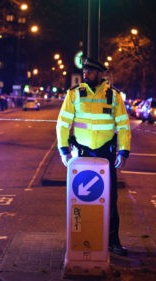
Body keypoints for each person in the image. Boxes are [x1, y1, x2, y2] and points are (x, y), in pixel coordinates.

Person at [56, 57, 131, 256]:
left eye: (89, 71)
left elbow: (123, 126)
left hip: (106, 153)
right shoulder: (74, 94)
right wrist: (63, 150)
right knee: (79, 199)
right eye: (84, 71)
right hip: (81, 152)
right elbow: (63, 124)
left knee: (111, 198)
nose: (85, 74)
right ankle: (79, 238)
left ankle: (113, 241)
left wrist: (123, 151)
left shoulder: (114, 96)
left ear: (100, 74)